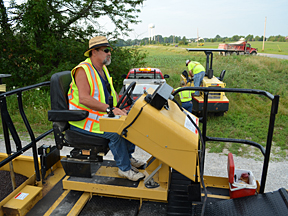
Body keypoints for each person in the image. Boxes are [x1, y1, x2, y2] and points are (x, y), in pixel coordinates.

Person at [68, 36, 145, 181]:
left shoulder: (103, 69)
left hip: (97, 115)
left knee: (129, 120)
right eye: (106, 50)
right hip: (82, 119)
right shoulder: (83, 70)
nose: (109, 53)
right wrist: (110, 110)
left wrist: (122, 107)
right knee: (115, 132)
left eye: (110, 50)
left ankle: (127, 157)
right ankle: (125, 168)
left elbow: (110, 94)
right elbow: (84, 98)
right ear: (94, 52)